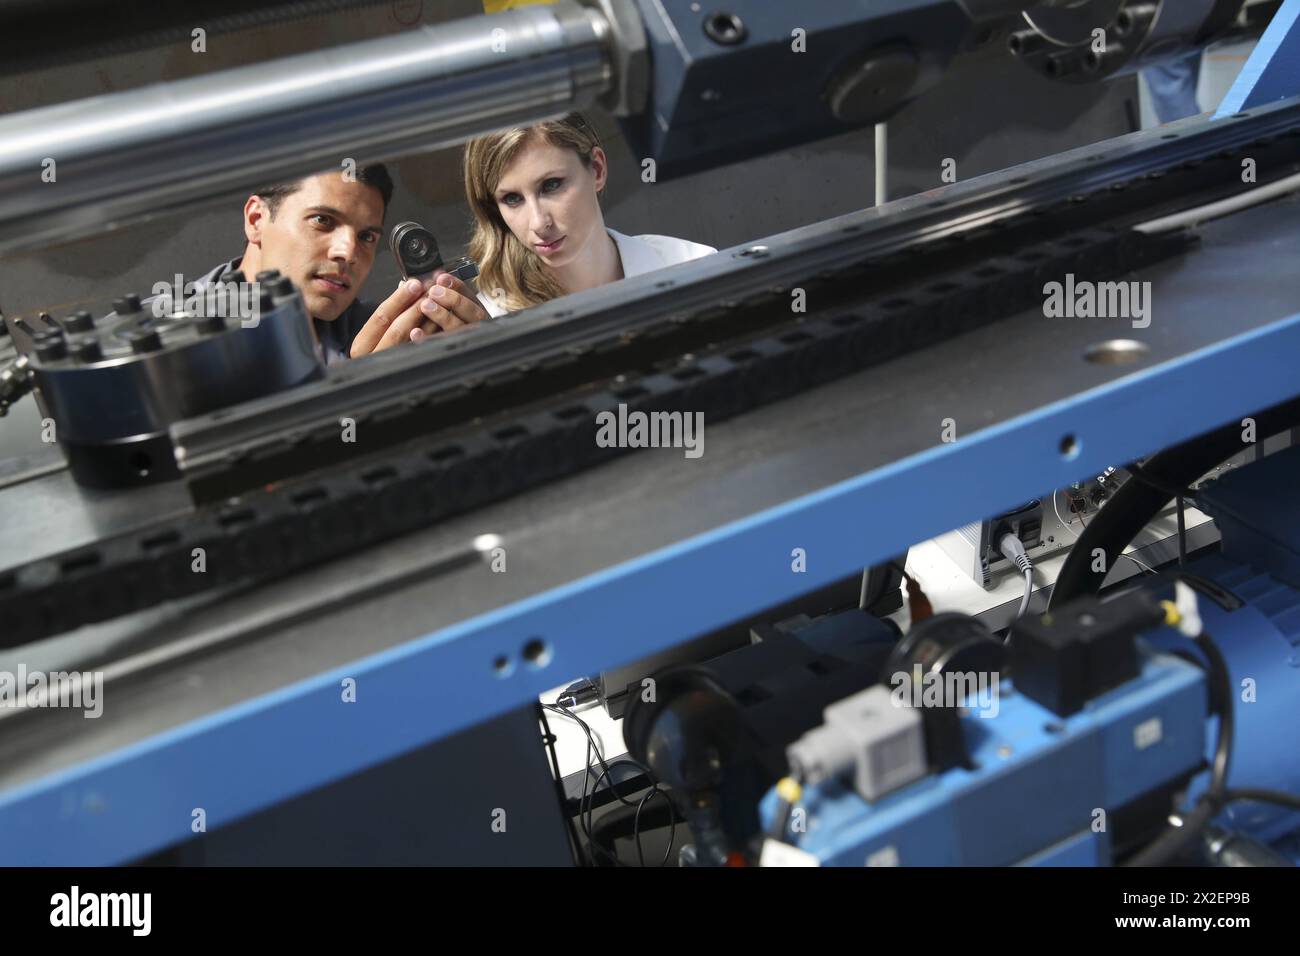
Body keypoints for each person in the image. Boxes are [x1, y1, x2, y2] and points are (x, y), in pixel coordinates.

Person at [350, 112, 716, 353]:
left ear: (598, 170)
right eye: (512, 199)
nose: (539, 222)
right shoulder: (481, 324)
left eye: (552, 185)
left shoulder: (697, 267)